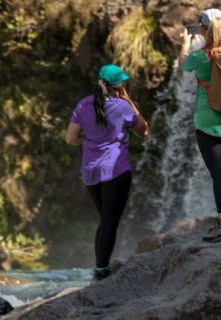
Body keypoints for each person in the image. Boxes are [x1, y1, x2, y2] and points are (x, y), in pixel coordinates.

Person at [66, 64, 149, 280]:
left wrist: (91, 140)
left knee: (105, 219)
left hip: (91, 173)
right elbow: (143, 130)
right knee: (110, 221)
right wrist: (129, 100)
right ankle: (101, 269)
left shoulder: (83, 105)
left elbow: (70, 138)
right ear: (119, 86)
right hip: (116, 170)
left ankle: (98, 265)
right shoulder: (123, 106)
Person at [178, 15, 221, 242]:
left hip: (208, 124)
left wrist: (185, 43)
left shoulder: (201, 56)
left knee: (218, 174)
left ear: (204, 31)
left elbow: (182, 65)